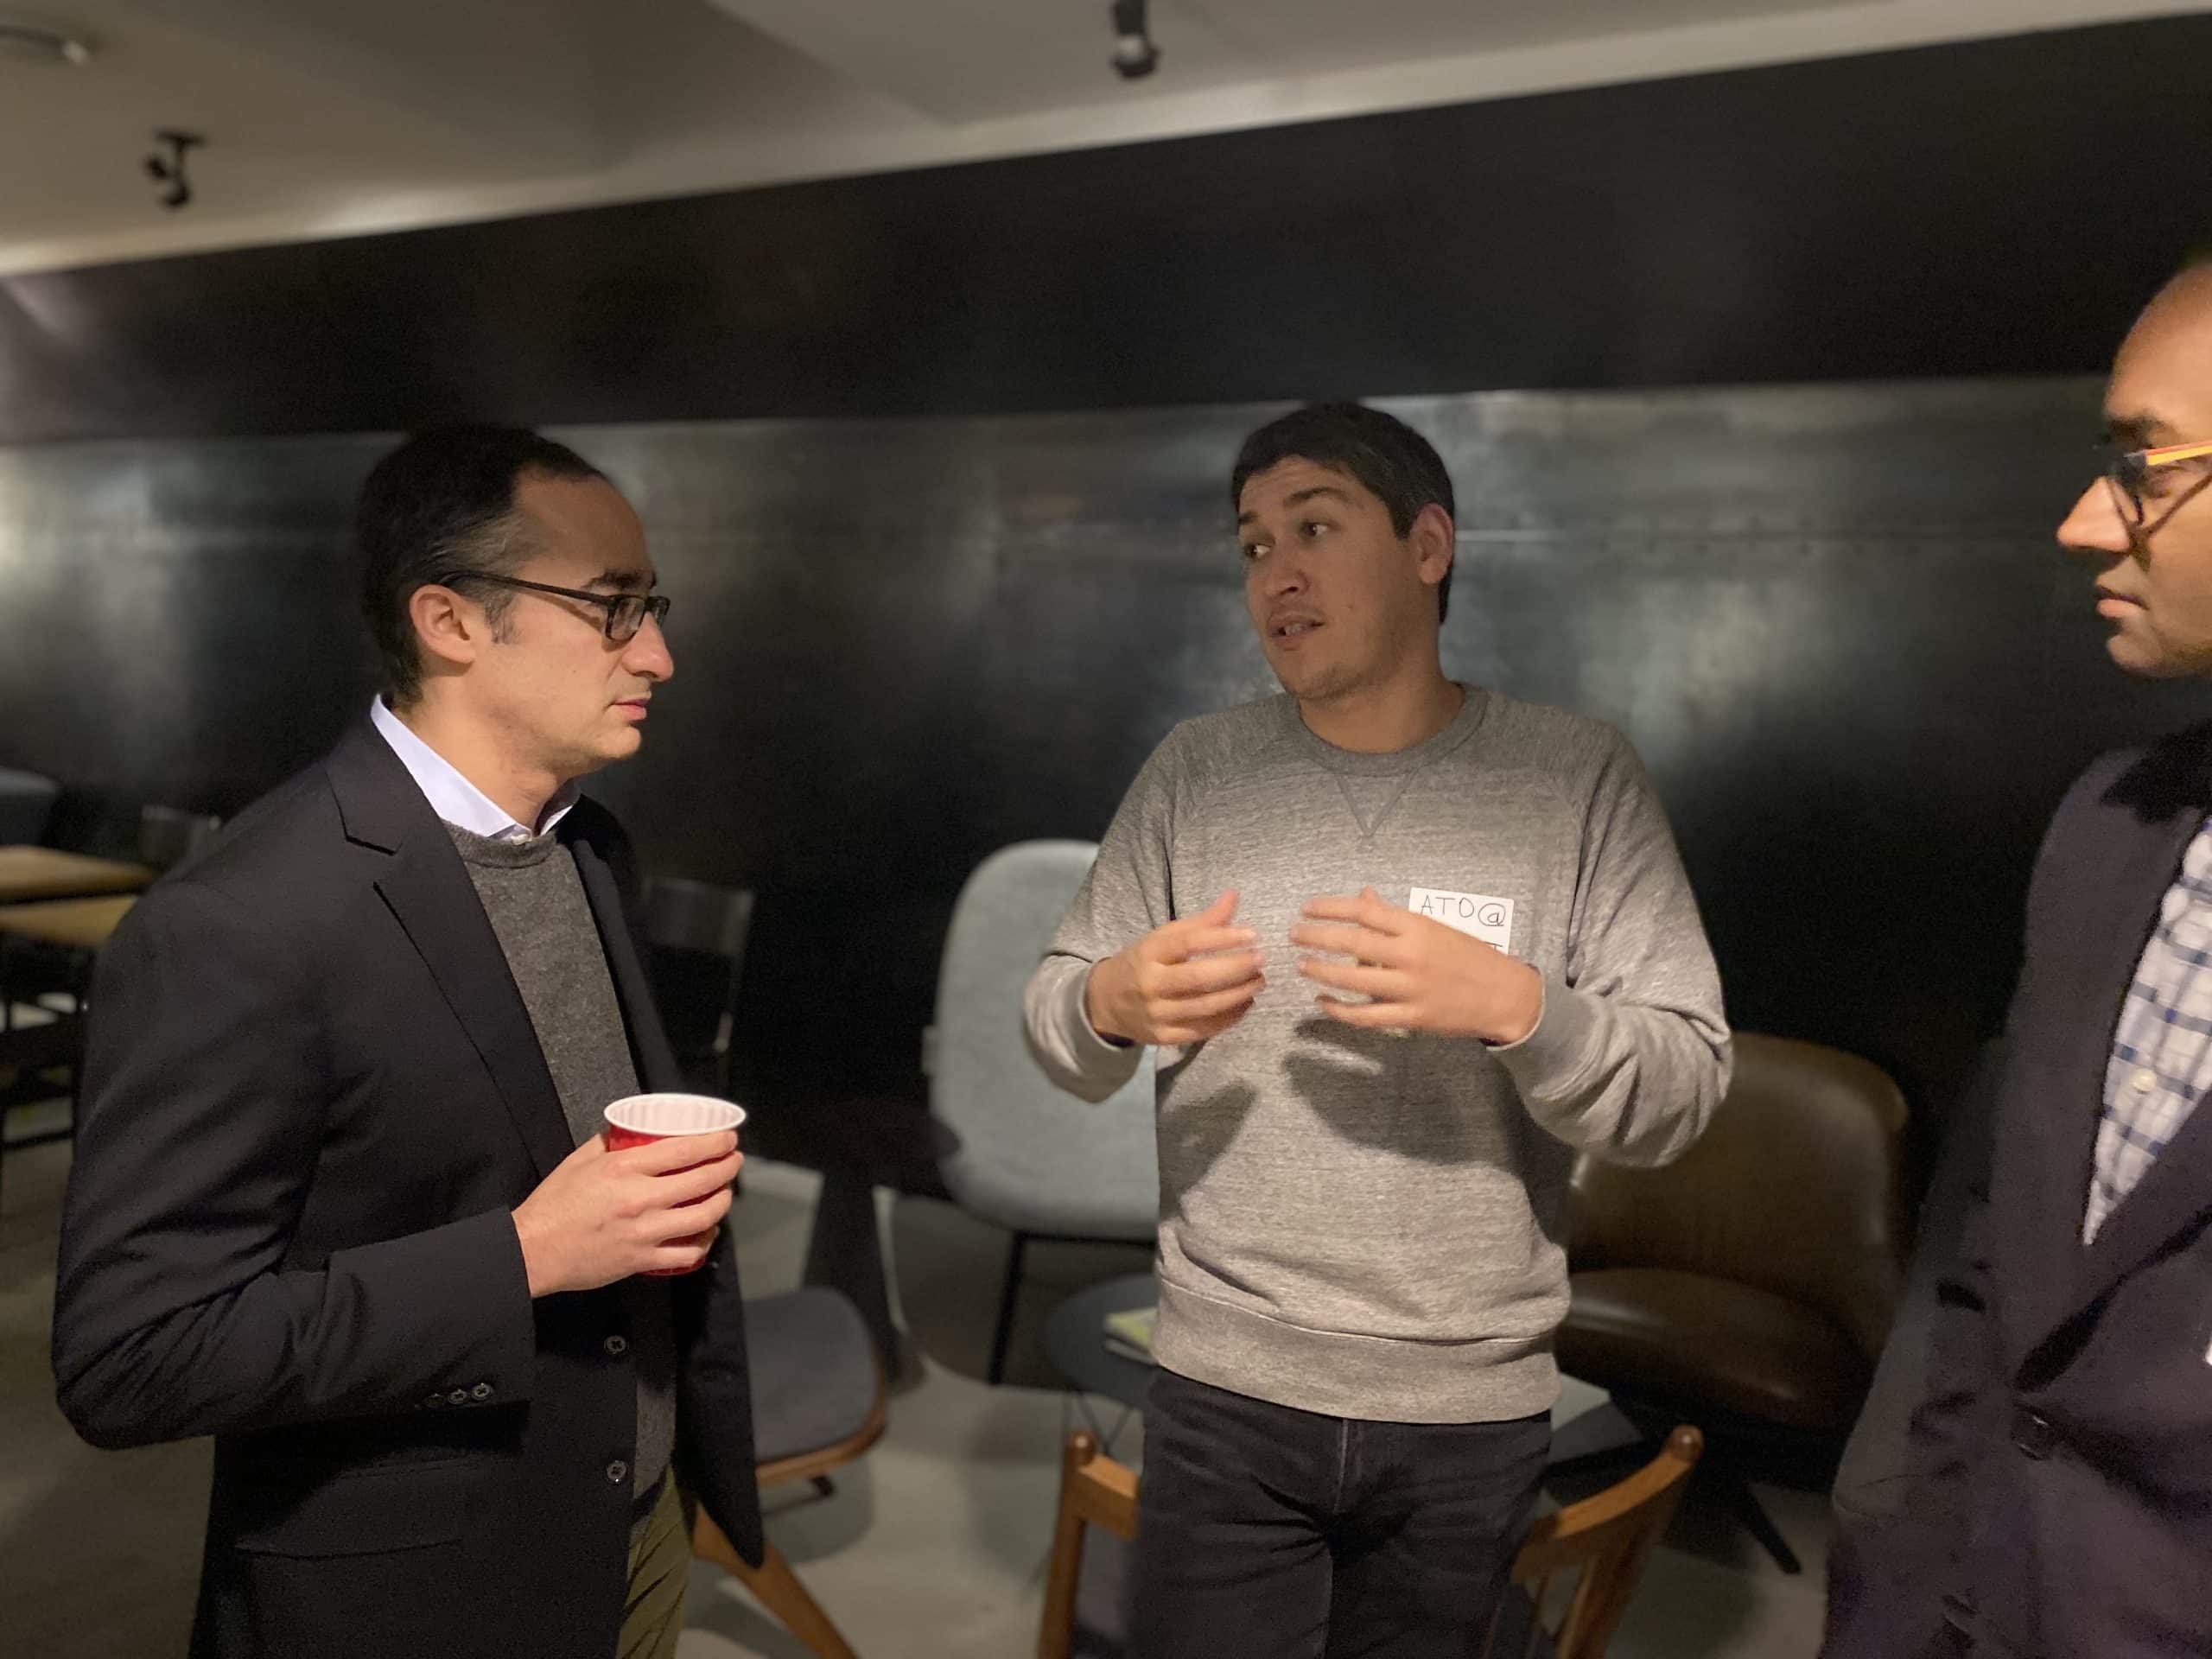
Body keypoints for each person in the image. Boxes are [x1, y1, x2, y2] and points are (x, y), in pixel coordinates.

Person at [1022, 401, 1731, 1656]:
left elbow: (1682, 1087)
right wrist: (1105, 1003)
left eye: (1315, 527)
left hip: (1467, 1405)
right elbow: (1056, 1024)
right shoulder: (1196, 770)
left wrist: (1518, 1007)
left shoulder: (1574, 778)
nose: (1276, 575)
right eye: (1253, 545)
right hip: (1223, 1380)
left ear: (1429, 546)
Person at [51, 425, 760, 1659]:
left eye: (651, 607)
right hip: (420, 1590)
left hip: (634, 1524)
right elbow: (134, 1355)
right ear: (451, 620)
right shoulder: (238, 924)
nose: (657, 653)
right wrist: (526, 1256)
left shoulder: (589, 849)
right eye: (612, 607)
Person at [1824, 257, 2212, 1658]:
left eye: (2143, 465)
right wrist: (1895, 1594)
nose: (2080, 522)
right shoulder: (2111, 826)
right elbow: (1994, 1279)